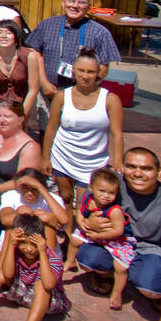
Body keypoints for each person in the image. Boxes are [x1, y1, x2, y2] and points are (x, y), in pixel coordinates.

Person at [76, 148, 161, 321]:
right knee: (87, 258)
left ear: (159, 172)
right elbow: (86, 198)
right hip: (118, 243)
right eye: (131, 166)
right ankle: (110, 275)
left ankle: (158, 288)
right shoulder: (113, 183)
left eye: (146, 168)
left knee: (153, 288)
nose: (137, 173)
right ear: (122, 168)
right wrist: (87, 219)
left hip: (152, 249)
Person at [42, 48, 124, 209]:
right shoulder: (61, 97)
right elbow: (51, 128)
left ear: (98, 73)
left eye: (91, 72)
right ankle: (67, 232)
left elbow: (117, 133)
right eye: (81, 70)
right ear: (73, 70)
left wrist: (118, 161)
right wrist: (46, 157)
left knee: (84, 203)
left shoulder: (110, 100)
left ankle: (80, 233)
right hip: (63, 156)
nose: (85, 76)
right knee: (65, 197)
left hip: (93, 161)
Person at [26, 0, 122, 93]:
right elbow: (34, 53)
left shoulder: (100, 33)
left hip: (81, 94)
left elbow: (103, 69)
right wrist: (43, 83)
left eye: (81, 2)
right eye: (71, 1)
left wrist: (82, 90)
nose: (75, 6)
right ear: (63, 3)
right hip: (46, 90)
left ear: (89, 7)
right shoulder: (47, 25)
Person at [64, 168, 136, 310]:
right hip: (94, 232)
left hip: (118, 240)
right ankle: (70, 261)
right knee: (75, 239)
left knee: (120, 267)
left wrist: (98, 236)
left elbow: (118, 230)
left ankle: (117, 293)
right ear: (90, 188)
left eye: (111, 193)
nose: (106, 196)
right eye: (101, 191)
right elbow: (79, 211)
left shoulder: (114, 210)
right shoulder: (87, 198)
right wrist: (81, 221)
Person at [0, 100, 43, 241]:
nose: (2, 120)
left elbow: (25, 181)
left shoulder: (30, 147)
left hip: (2, 196)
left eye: (7, 117)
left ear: (21, 119)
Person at [0, 19, 41, 122]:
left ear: (16, 36)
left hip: (19, 107)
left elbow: (33, 91)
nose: (3, 36)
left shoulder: (29, 56)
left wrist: (21, 117)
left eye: (8, 33)